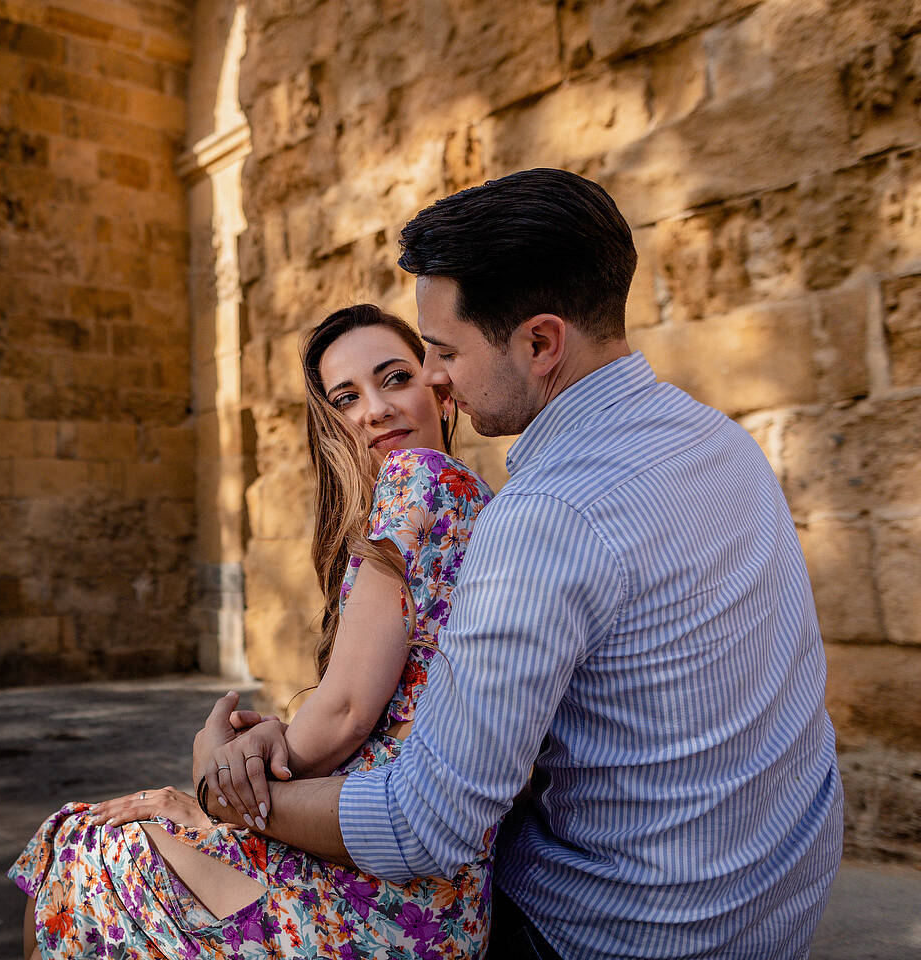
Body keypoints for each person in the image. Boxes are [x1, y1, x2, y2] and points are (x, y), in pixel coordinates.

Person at [191, 168, 844, 959]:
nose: (433, 379)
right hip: (774, 910)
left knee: (97, 869)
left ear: (540, 342)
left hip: (624, 932)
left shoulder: (542, 519)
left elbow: (420, 826)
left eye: (442, 353)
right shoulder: (720, 442)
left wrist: (219, 790)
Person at [8, 304, 498, 959]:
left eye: (395, 379)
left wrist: (223, 777)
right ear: (329, 424)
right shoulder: (480, 501)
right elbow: (383, 705)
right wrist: (268, 742)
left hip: (384, 897)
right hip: (436, 894)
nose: (375, 410)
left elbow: (349, 712)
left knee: (86, 845)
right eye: (347, 398)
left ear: (439, 389)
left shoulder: (418, 481)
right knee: (110, 845)